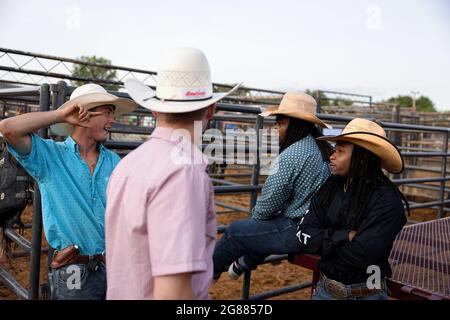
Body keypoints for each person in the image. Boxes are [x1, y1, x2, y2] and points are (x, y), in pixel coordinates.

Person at [105, 47, 241, 300]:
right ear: (211, 109)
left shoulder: (128, 163)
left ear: (154, 110)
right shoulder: (183, 173)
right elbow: (174, 293)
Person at [0, 83, 137, 299]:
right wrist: (61, 114)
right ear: (84, 113)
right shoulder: (50, 156)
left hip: (114, 267)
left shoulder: (113, 162)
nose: (113, 120)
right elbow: (8, 128)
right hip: (72, 269)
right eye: (108, 113)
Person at [213, 92, 333, 280]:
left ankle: (206, 273)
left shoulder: (291, 155)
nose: (276, 129)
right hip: (323, 226)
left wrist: (256, 221)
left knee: (237, 232)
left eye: (281, 123)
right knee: (268, 225)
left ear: (296, 125)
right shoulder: (324, 148)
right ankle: (244, 262)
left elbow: (268, 204)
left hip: (300, 230)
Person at [297, 118, 408, 300]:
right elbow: (304, 235)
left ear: (362, 158)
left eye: (340, 151)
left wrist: (324, 241)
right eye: (334, 149)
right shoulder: (330, 188)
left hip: (366, 294)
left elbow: (362, 255)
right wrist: (345, 236)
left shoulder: (387, 201)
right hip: (326, 290)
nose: (332, 155)